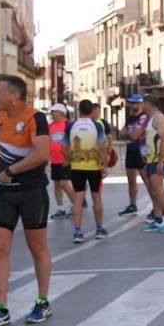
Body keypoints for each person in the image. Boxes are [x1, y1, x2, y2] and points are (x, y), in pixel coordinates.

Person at [0, 75, 52, 326]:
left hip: (32, 191)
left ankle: (42, 301)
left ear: (14, 96)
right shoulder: (0, 118)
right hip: (4, 193)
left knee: (37, 248)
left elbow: (42, 154)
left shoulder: (36, 118)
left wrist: (11, 171)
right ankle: (1, 309)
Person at [63, 99, 109, 243]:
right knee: (96, 196)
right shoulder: (96, 126)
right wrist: (105, 164)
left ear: (79, 110)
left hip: (77, 167)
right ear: (91, 111)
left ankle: (77, 232)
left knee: (78, 197)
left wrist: (70, 159)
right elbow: (101, 147)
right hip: (94, 167)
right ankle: (99, 229)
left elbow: (64, 148)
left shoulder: (71, 126)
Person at [139, 95, 164, 233]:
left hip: (158, 160)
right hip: (151, 159)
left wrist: (161, 161)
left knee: (160, 193)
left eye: (143, 103)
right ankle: (158, 219)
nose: (141, 106)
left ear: (149, 103)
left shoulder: (159, 118)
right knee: (154, 192)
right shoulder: (151, 119)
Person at [117, 94, 151, 217]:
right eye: (131, 103)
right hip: (130, 150)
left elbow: (134, 135)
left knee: (147, 180)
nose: (132, 105)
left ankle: (155, 206)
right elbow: (120, 134)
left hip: (141, 151)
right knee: (131, 180)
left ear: (141, 103)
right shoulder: (130, 117)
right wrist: (128, 133)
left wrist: (128, 133)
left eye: (135, 103)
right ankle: (133, 204)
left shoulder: (143, 118)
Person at [48, 103, 76, 219]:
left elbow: (74, 142)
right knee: (57, 185)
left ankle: (76, 205)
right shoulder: (51, 126)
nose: (52, 114)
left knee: (64, 184)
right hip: (54, 160)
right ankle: (60, 208)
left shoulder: (68, 125)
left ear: (61, 113)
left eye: (53, 112)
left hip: (65, 159)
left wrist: (68, 158)